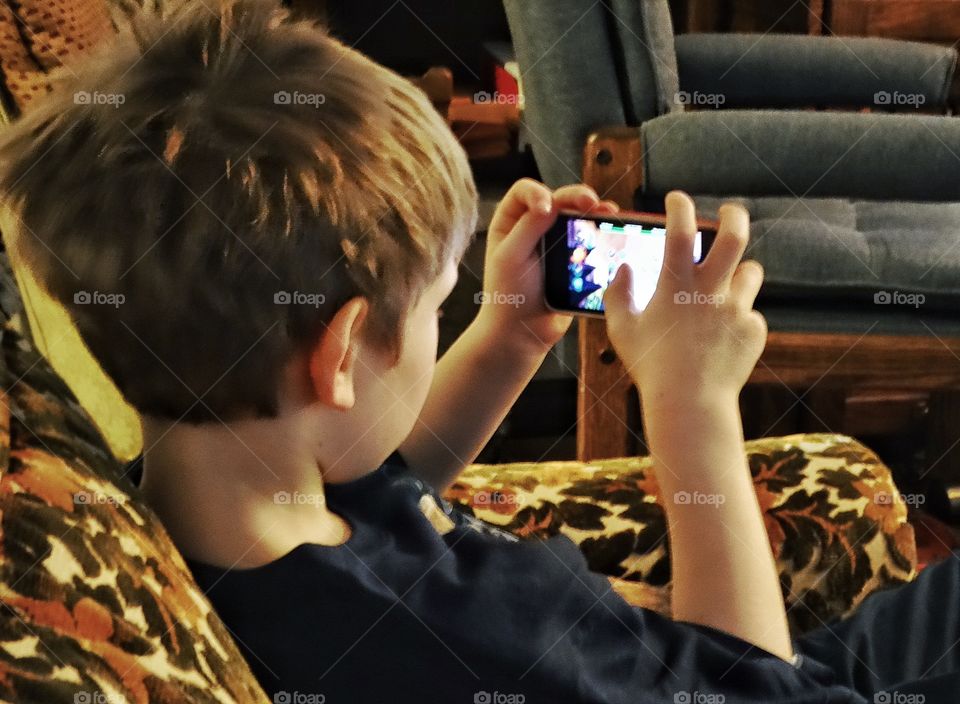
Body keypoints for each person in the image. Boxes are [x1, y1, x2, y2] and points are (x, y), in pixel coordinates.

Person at [0, 2, 956, 702]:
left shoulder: (232, 500)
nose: (443, 322)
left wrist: (508, 332)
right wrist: (691, 406)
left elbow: (383, 472)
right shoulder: (449, 641)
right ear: (338, 354)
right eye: (432, 309)